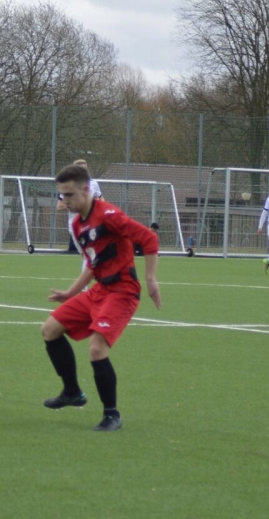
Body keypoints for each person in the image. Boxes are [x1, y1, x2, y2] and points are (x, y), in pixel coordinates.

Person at [41, 163, 161, 432]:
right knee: (50, 329)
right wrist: (70, 293)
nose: (65, 201)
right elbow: (94, 264)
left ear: (86, 190)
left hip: (123, 292)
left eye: (69, 195)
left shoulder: (108, 214)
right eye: (62, 195)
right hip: (100, 290)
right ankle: (72, 392)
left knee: (97, 349)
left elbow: (149, 238)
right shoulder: (77, 224)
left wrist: (151, 279)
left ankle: (111, 415)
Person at [57, 158, 102, 253]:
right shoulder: (68, 185)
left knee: (92, 250)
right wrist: (74, 204)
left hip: (90, 221)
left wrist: (96, 205)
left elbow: (101, 199)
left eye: (85, 170)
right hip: (75, 223)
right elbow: (59, 206)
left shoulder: (93, 183)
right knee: (83, 252)